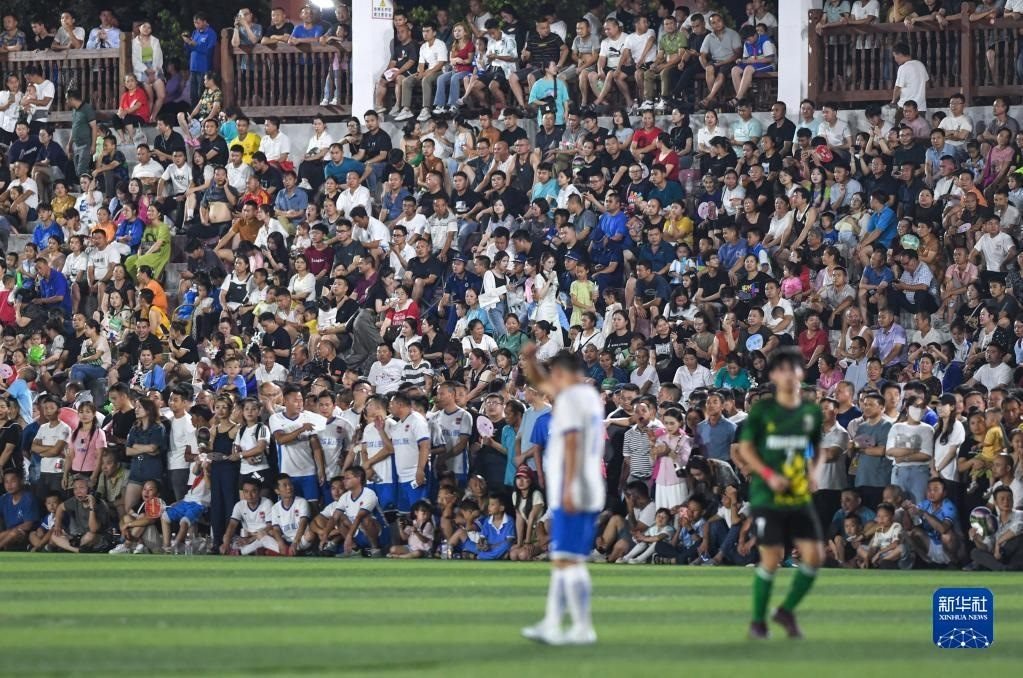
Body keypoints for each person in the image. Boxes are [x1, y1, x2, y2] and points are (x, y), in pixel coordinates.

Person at [738, 348, 823, 639]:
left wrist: (814, 472)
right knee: (772, 558)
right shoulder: (762, 411)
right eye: (782, 369)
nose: (788, 375)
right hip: (767, 496)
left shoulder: (811, 412)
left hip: (799, 496)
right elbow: (746, 448)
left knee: (814, 557)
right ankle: (758, 622)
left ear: (802, 373)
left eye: (793, 369)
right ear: (773, 375)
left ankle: (786, 610)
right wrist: (768, 475)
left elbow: (816, 449)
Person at [520, 349, 604, 646]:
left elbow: (571, 444)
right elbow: (542, 384)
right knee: (564, 559)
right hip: (586, 487)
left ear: (563, 374)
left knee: (568, 561)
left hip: (574, 489)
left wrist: (567, 489)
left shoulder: (570, 401)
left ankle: (581, 627)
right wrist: (531, 363)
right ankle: (554, 623)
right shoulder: (586, 396)